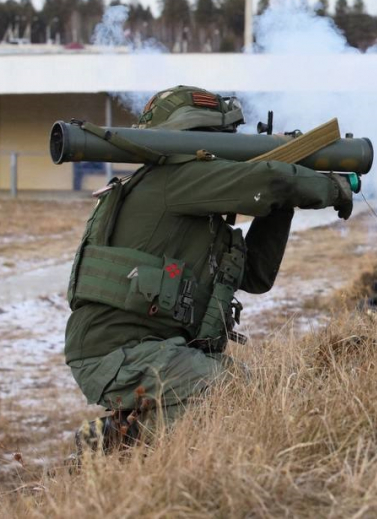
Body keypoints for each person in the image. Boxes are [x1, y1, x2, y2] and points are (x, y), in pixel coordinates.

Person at [65, 86, 353, 452]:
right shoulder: (176, 180)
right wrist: (333, 186)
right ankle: (113, 445)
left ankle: (128, 433)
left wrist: (281, 205)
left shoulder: (192, 198)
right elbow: (269, 181)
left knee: (257, 393)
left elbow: (255, 276)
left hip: (154, 349)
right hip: (117, 354)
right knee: (232, 396)